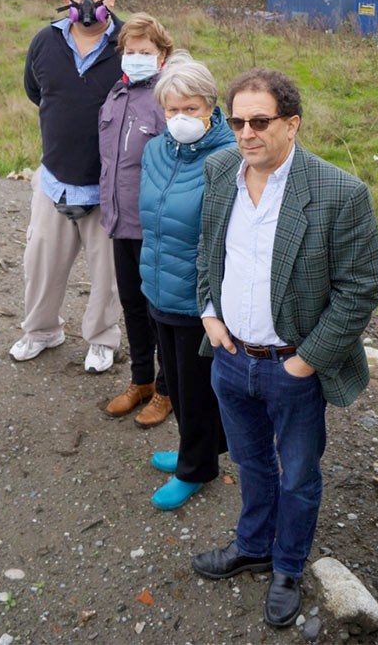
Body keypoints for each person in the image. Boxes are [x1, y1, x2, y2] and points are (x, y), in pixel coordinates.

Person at [192, 68, 378, 628]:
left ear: (292, 123)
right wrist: (208, 313)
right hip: (230, 359)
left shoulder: (339, 193)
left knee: (298, 474)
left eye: (260, 121)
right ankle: (253, 545)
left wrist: (306, 360)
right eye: (236, 121)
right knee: (251, 462)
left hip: (291, 368)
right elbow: (208, 248)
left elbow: (360, 288)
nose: (246, 133)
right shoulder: (221, 168)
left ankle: (288, 566)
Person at [9, 0, 123, 373]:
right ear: (66, 0)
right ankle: (41, 331)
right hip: (54, 180)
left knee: (107, 275)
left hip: (108, 186)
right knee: (40, 264)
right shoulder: (44, 42)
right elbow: (36, 92)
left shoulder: (130, 44)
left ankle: (102, 339)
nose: (88, 1)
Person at [138, 58, 235, 510]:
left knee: (195, 390)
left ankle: (196, 468)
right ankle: (193, 450)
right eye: (172, 109)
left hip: (198, 298)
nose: (181, 119)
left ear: (211, 108)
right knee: (175, 384)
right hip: (157, 286)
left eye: (191, 108)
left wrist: (213, 299)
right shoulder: (158, 150)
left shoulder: (229, 157)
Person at [98, 13, 176, 427]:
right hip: (119, 223)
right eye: (130, 52)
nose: (136, 58)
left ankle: (166, 390)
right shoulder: (115, 95)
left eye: (145, 52)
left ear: (162, 56)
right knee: (131, 305)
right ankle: (141, 380)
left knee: (157, 310)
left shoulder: (168, 101)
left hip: (154, 228)